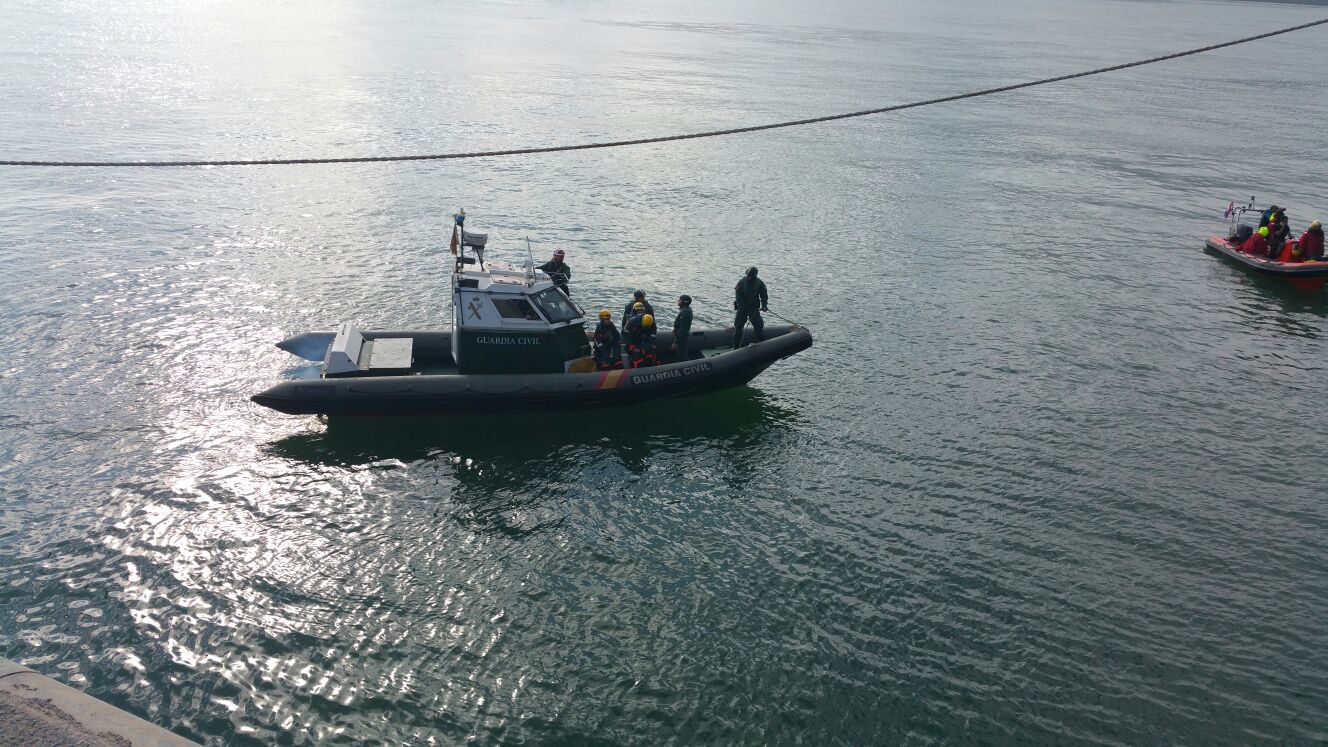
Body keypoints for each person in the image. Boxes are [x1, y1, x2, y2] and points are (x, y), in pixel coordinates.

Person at [732, 266, 769, 349]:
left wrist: (764, 305)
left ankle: (761, 343)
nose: (748, 278)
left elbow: (764, 295)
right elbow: (738, 295)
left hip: (753, 308)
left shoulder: (760, 283)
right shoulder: (741, 282)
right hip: (742, 308)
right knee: (738, 326)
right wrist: (743, 305)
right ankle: (735, 346)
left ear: (754, 276)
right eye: (747, 276)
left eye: (750, 276)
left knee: (758, 325)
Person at [672, 294, 694, 362]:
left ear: (684, 302)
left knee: (682, 356)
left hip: (682, 339)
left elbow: (683, 330)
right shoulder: (685, 310)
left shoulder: (685, 313)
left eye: (680, 300)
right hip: (682, 337)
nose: (678, 301)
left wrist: (676, 342)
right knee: (681, 354)